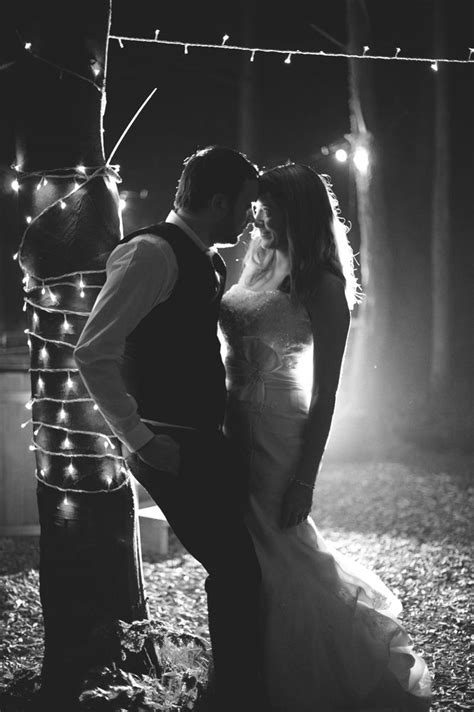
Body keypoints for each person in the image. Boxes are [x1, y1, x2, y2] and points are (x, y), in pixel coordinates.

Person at [219, 162, 432, 711]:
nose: (256, 215)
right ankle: (252, 666)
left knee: (282, 547)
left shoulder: (322, 284)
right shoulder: (258, 264)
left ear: (296, 210)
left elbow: (328, 391)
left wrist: (304, 479)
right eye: (256, 205)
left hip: (278, 432)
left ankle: (318, 673)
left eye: (267, 206)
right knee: (241, 552)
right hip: (230, 423)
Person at [74, 145, 267, 711]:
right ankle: (233, 697)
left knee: (242, 564)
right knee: (235, 568)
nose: (249, 218)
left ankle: (236, 687)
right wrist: (141, 440)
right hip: (166, 440)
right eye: (245, 206)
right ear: (216, 201)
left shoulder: (205, 258)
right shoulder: (150, 255)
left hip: (202, 439)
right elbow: (93, 352)